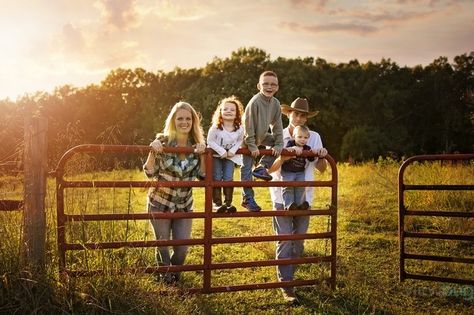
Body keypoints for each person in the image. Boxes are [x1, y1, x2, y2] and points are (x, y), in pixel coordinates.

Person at [268, 97, 328, 303]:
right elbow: (269, 169)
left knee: (299, 242)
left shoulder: (315, 136)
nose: (299, 118)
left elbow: (322, 169)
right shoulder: (278, 135)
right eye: (296, 113)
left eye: (303, 114)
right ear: (288, 114)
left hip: (305, 196)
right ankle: (287, 285)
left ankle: (289, 275)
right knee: (284, 240)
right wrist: (284, 156)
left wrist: (321, 155)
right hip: (281, 196)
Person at [143, 101, 206, 284]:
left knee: (182, 249)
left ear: (193, 121)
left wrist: (202, 154)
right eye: (180, 118)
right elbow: (149, 172)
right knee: (162, 246)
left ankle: (172, 273)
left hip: (184, 204)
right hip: (160, 202)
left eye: (188, 118)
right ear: (173, 121)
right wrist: (152, 151)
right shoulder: (162, 141)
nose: (184, 122)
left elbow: (202, 176)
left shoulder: (197, 145)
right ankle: (167, 280)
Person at [241, 70, 284, 212]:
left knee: (279, 145)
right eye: (265, 84)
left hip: (263, 135)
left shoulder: (276, 104)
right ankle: (247, 199)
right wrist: (252, 146)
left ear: (277, 87)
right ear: (259, 86)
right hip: (247, 139)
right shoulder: (254, 102)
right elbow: (248, 125)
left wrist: (278, 144)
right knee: (246, 168)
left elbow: (277, 126)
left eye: (273, 84)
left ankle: (262, 167)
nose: (269, 87)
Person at [207, 96, 245, 213]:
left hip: (230, 157)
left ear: (237, 114)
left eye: (232, 110)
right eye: (225, 109)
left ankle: (228, 204)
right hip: (216, 156)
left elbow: (240, 140)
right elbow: (210, 141)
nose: (229, 111)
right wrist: (221, 151)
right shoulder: (216, 127)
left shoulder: (239, 128)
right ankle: (217, 204)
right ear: (220, 112)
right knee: (217, 177)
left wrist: (233, 150)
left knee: (229, 177)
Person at [280, 125, 315, 210]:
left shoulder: (307, 148)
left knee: (300, 187)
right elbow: (286, 150)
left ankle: (300, 204)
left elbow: (311, 159)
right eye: (300, 137)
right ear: (293, 136)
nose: (303, 139)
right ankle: (288, 205)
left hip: (300, 172)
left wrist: (312, 152)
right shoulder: (291, 143)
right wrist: (293, 148)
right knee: (288, 187)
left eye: (305, 137)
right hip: (287, 171)